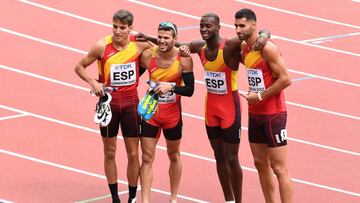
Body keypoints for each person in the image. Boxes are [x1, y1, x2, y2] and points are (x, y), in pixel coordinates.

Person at [75, 9, 154, 203]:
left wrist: (149, 38)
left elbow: (162, 47)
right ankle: (115, 198)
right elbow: (79, 67)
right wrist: (93, 83)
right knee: (109, 152)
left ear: (130, 28)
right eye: (115, 26)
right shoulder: (102, 46)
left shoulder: (139, 45)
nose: (117, 31)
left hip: (130, 103)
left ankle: (133, 197)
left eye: (122, 28)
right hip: (108, 104)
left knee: (133, 153)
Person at [236, 8, 293, 203]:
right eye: (236, 26)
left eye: (242, 25)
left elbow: (286, 79)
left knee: (279, 168)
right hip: (255, 113)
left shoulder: (268, 49)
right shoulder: (245, 48)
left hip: (273, 114)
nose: (238, 29)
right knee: (260, 164)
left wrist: (260, 95)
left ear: (253, 25)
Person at [138, 21, 194, 203]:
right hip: (151, 114)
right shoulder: (148, 56)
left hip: (172, 116)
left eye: (166, 38)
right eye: (160, 37)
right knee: (147, 157)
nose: (162, 41)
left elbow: (190, 90)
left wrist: (170, 88)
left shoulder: (184, 59)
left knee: (174, 155)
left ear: (174, 39)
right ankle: (145, 200)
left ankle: (174, 198)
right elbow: (133, 77)